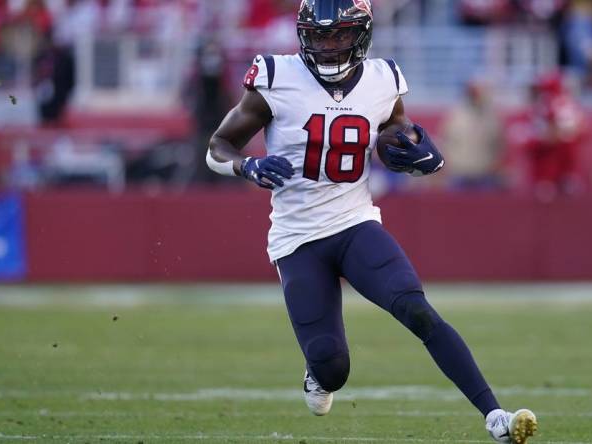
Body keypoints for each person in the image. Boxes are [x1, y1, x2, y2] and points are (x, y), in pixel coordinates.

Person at [206, 1, 537, 443]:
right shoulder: (275, 76)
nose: (327, 45)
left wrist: (413, 151)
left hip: (355, 222)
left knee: (416, 308)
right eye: (319, 35)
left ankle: (495, 415)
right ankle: (317, 374)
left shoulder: (384, 79)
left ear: (360, 34)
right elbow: (218, 145)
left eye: (339, 34)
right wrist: (246, 167)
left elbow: (395, 132)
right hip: (298, 237)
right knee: (332, 367)